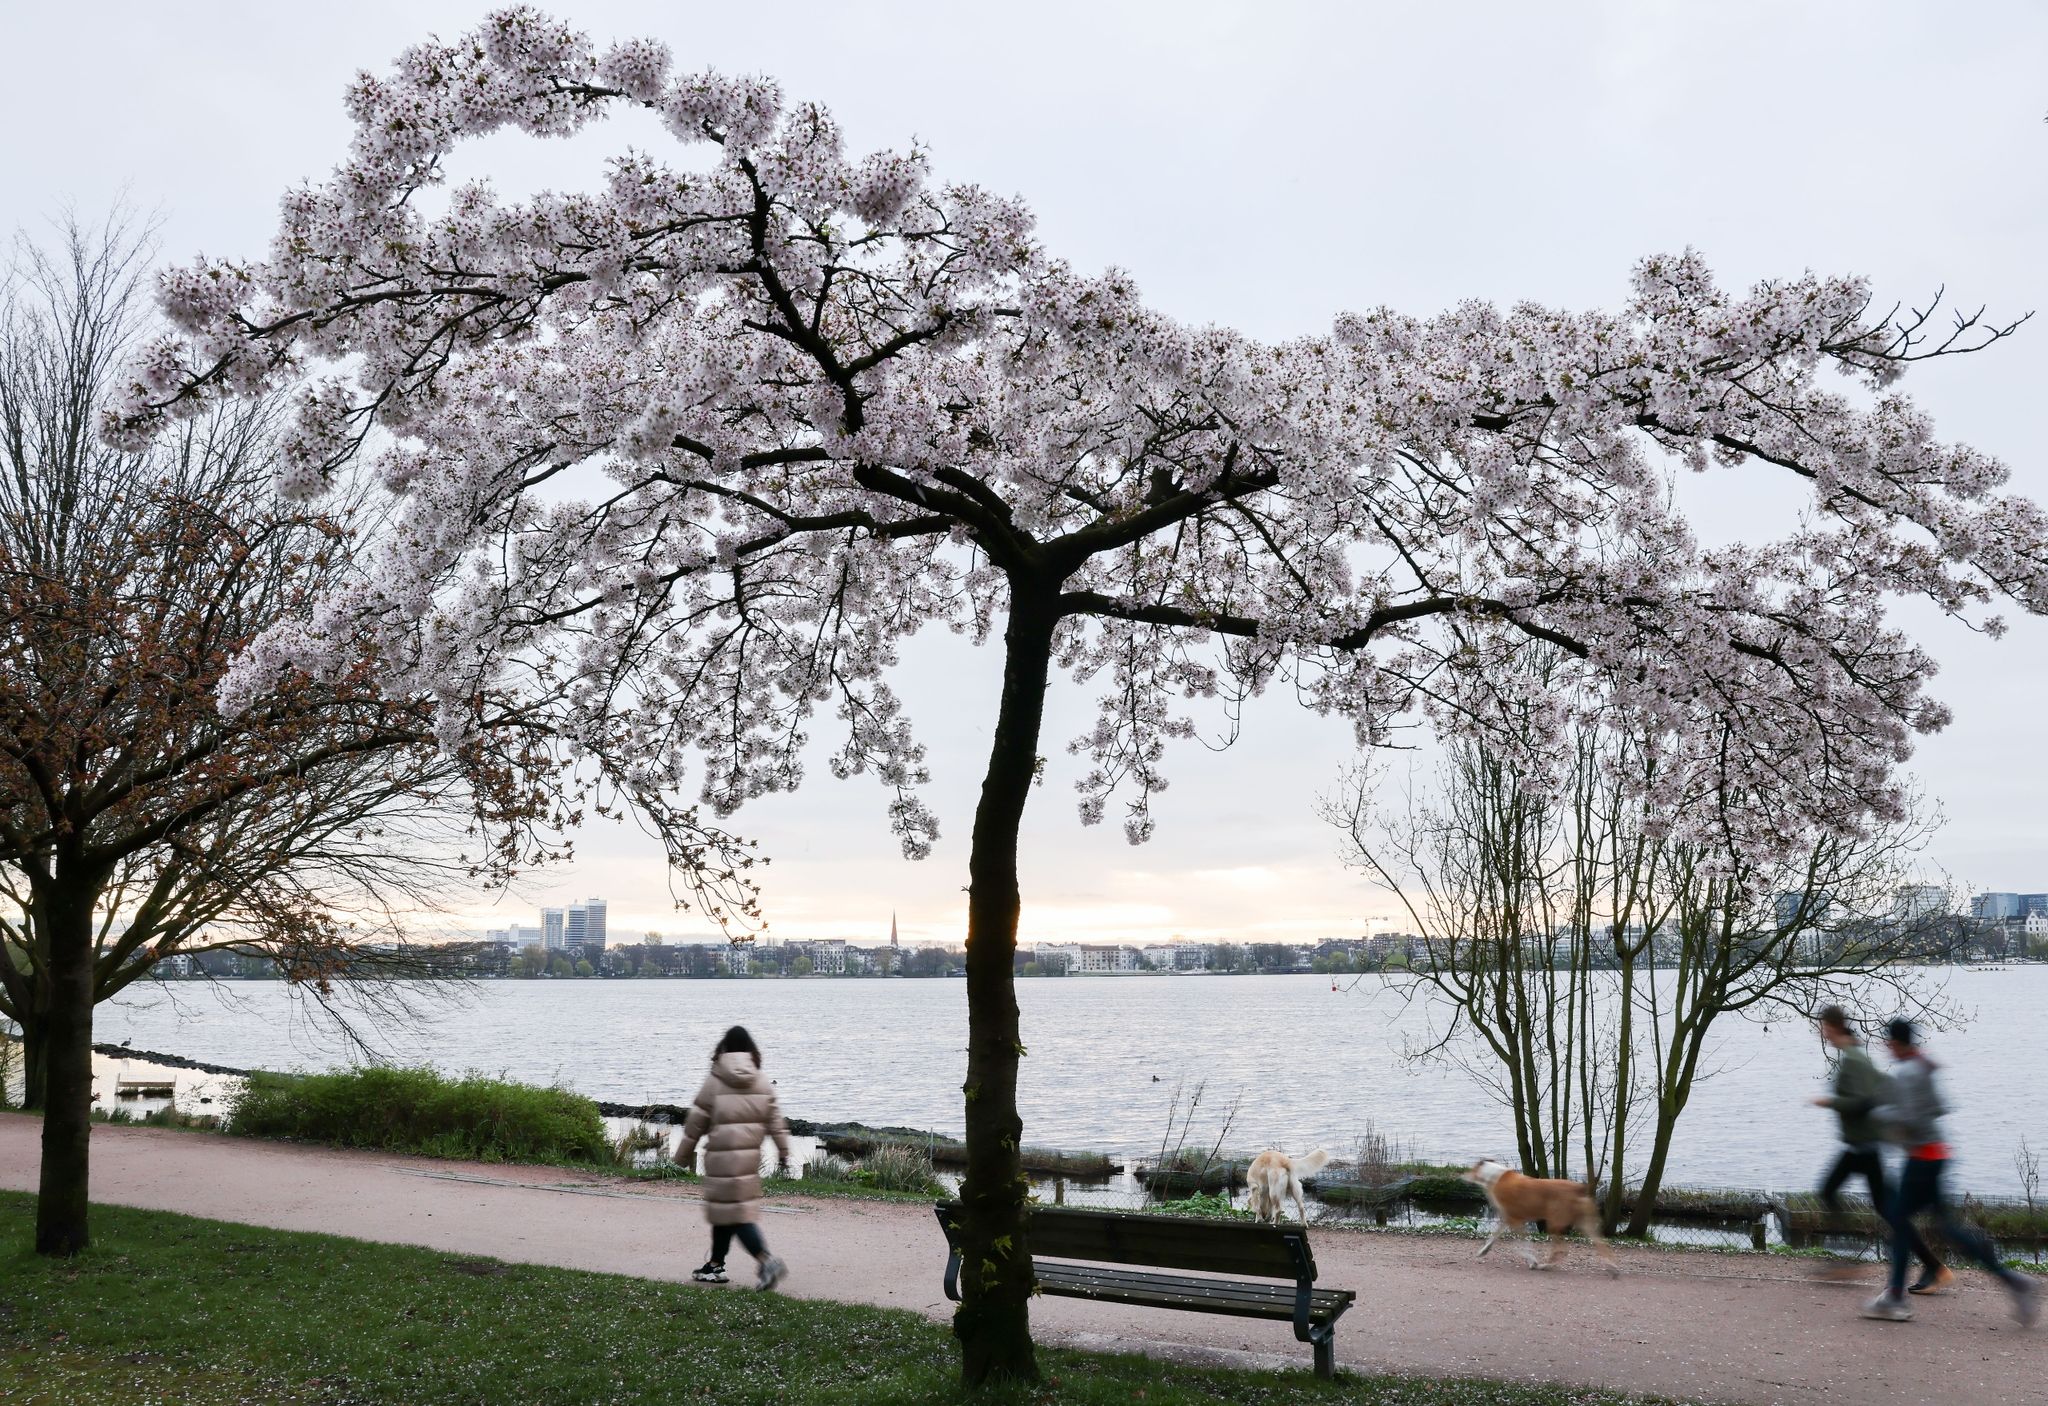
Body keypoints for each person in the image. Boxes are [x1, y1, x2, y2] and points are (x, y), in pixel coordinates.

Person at [1862, 1018, 2037, 1325]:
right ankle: (2014, 1282)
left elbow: (1909, 1119)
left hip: (1920, 1160)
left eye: (1887, 1041)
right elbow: (1941, 1108)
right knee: (1947, 1227)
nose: (1885, 1046)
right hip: (1938, 1153)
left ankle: (1894, 1297)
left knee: (1900, 1221)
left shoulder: (1907, 1072)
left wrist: (1876, 1111)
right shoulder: (1923, 1065)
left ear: (1895, 1042)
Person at [1808, 1005, 1943, 1288]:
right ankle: (1933, 1266)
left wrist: (1829, 1102)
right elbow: (1878, 1088)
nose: (1822, 1033)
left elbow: (1863, 1102)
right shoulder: (1854, 1056)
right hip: (1862, 1146)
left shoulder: (1854, 1059)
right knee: (1887, 1209)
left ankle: (1846, 1261)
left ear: (1833, 1027)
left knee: (1831, 1190)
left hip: (1864, 1146)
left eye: (1823, 1027)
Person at [675, 1025, 792, 1291]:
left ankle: (766, 1260)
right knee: (725, 1213)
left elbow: (694, 1125)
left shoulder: (714, 1081)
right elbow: (776, 1123)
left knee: (735, 1216)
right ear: (751, 1050)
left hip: (720, 1160)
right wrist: (784, 1153)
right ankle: (715, 1266)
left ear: (723, 1049)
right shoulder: (762, 1082)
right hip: (748, 1161)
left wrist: (680, 1158)